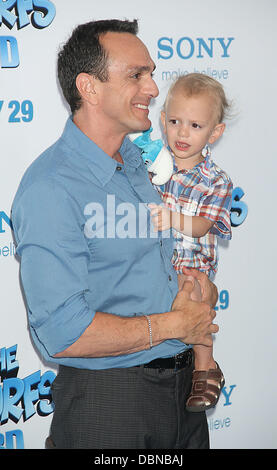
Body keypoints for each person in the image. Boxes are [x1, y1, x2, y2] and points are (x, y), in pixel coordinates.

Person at [11, 20, 219, 449]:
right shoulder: (51, 187)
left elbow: (134, 274)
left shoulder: (138, 163)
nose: (153, 89)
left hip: (183, 398)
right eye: (135, 75)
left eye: (150, 73)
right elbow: (63, 333)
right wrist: (174, 323)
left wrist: (192, 290)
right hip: (109, 403)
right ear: (88, 87)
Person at [148, 73, 233, 412]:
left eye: (195, 125)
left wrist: (172, 219)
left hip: (193, 263)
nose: (182, 132)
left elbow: (201, 226)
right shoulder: (151, 168)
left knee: (195, 294)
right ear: (162, 120)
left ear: (215, 132)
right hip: (156, 263)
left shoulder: (216, 181)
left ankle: (205, 368)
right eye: (175, 121)